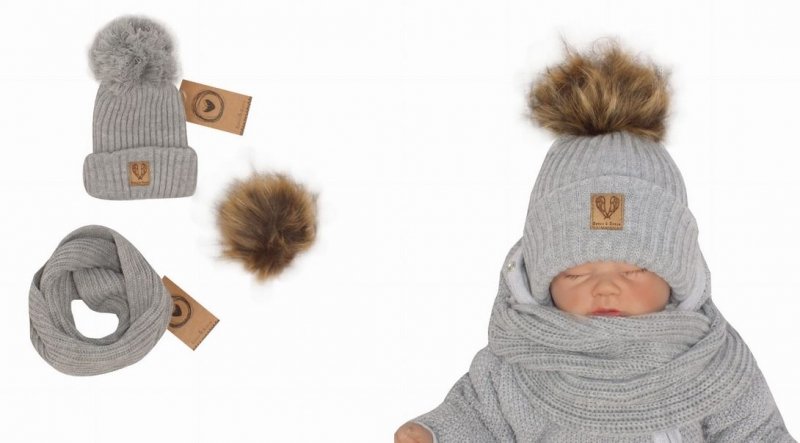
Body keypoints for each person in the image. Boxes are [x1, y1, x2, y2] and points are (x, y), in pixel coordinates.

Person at [394, 37, 796, 443]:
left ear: (676, 273)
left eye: (634, 269)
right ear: (541, 280)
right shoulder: (519, 364)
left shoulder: (710, 362)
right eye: (576, 273)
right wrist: (435, 435)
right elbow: (476, 416)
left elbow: (757, 432)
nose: (605, 287)